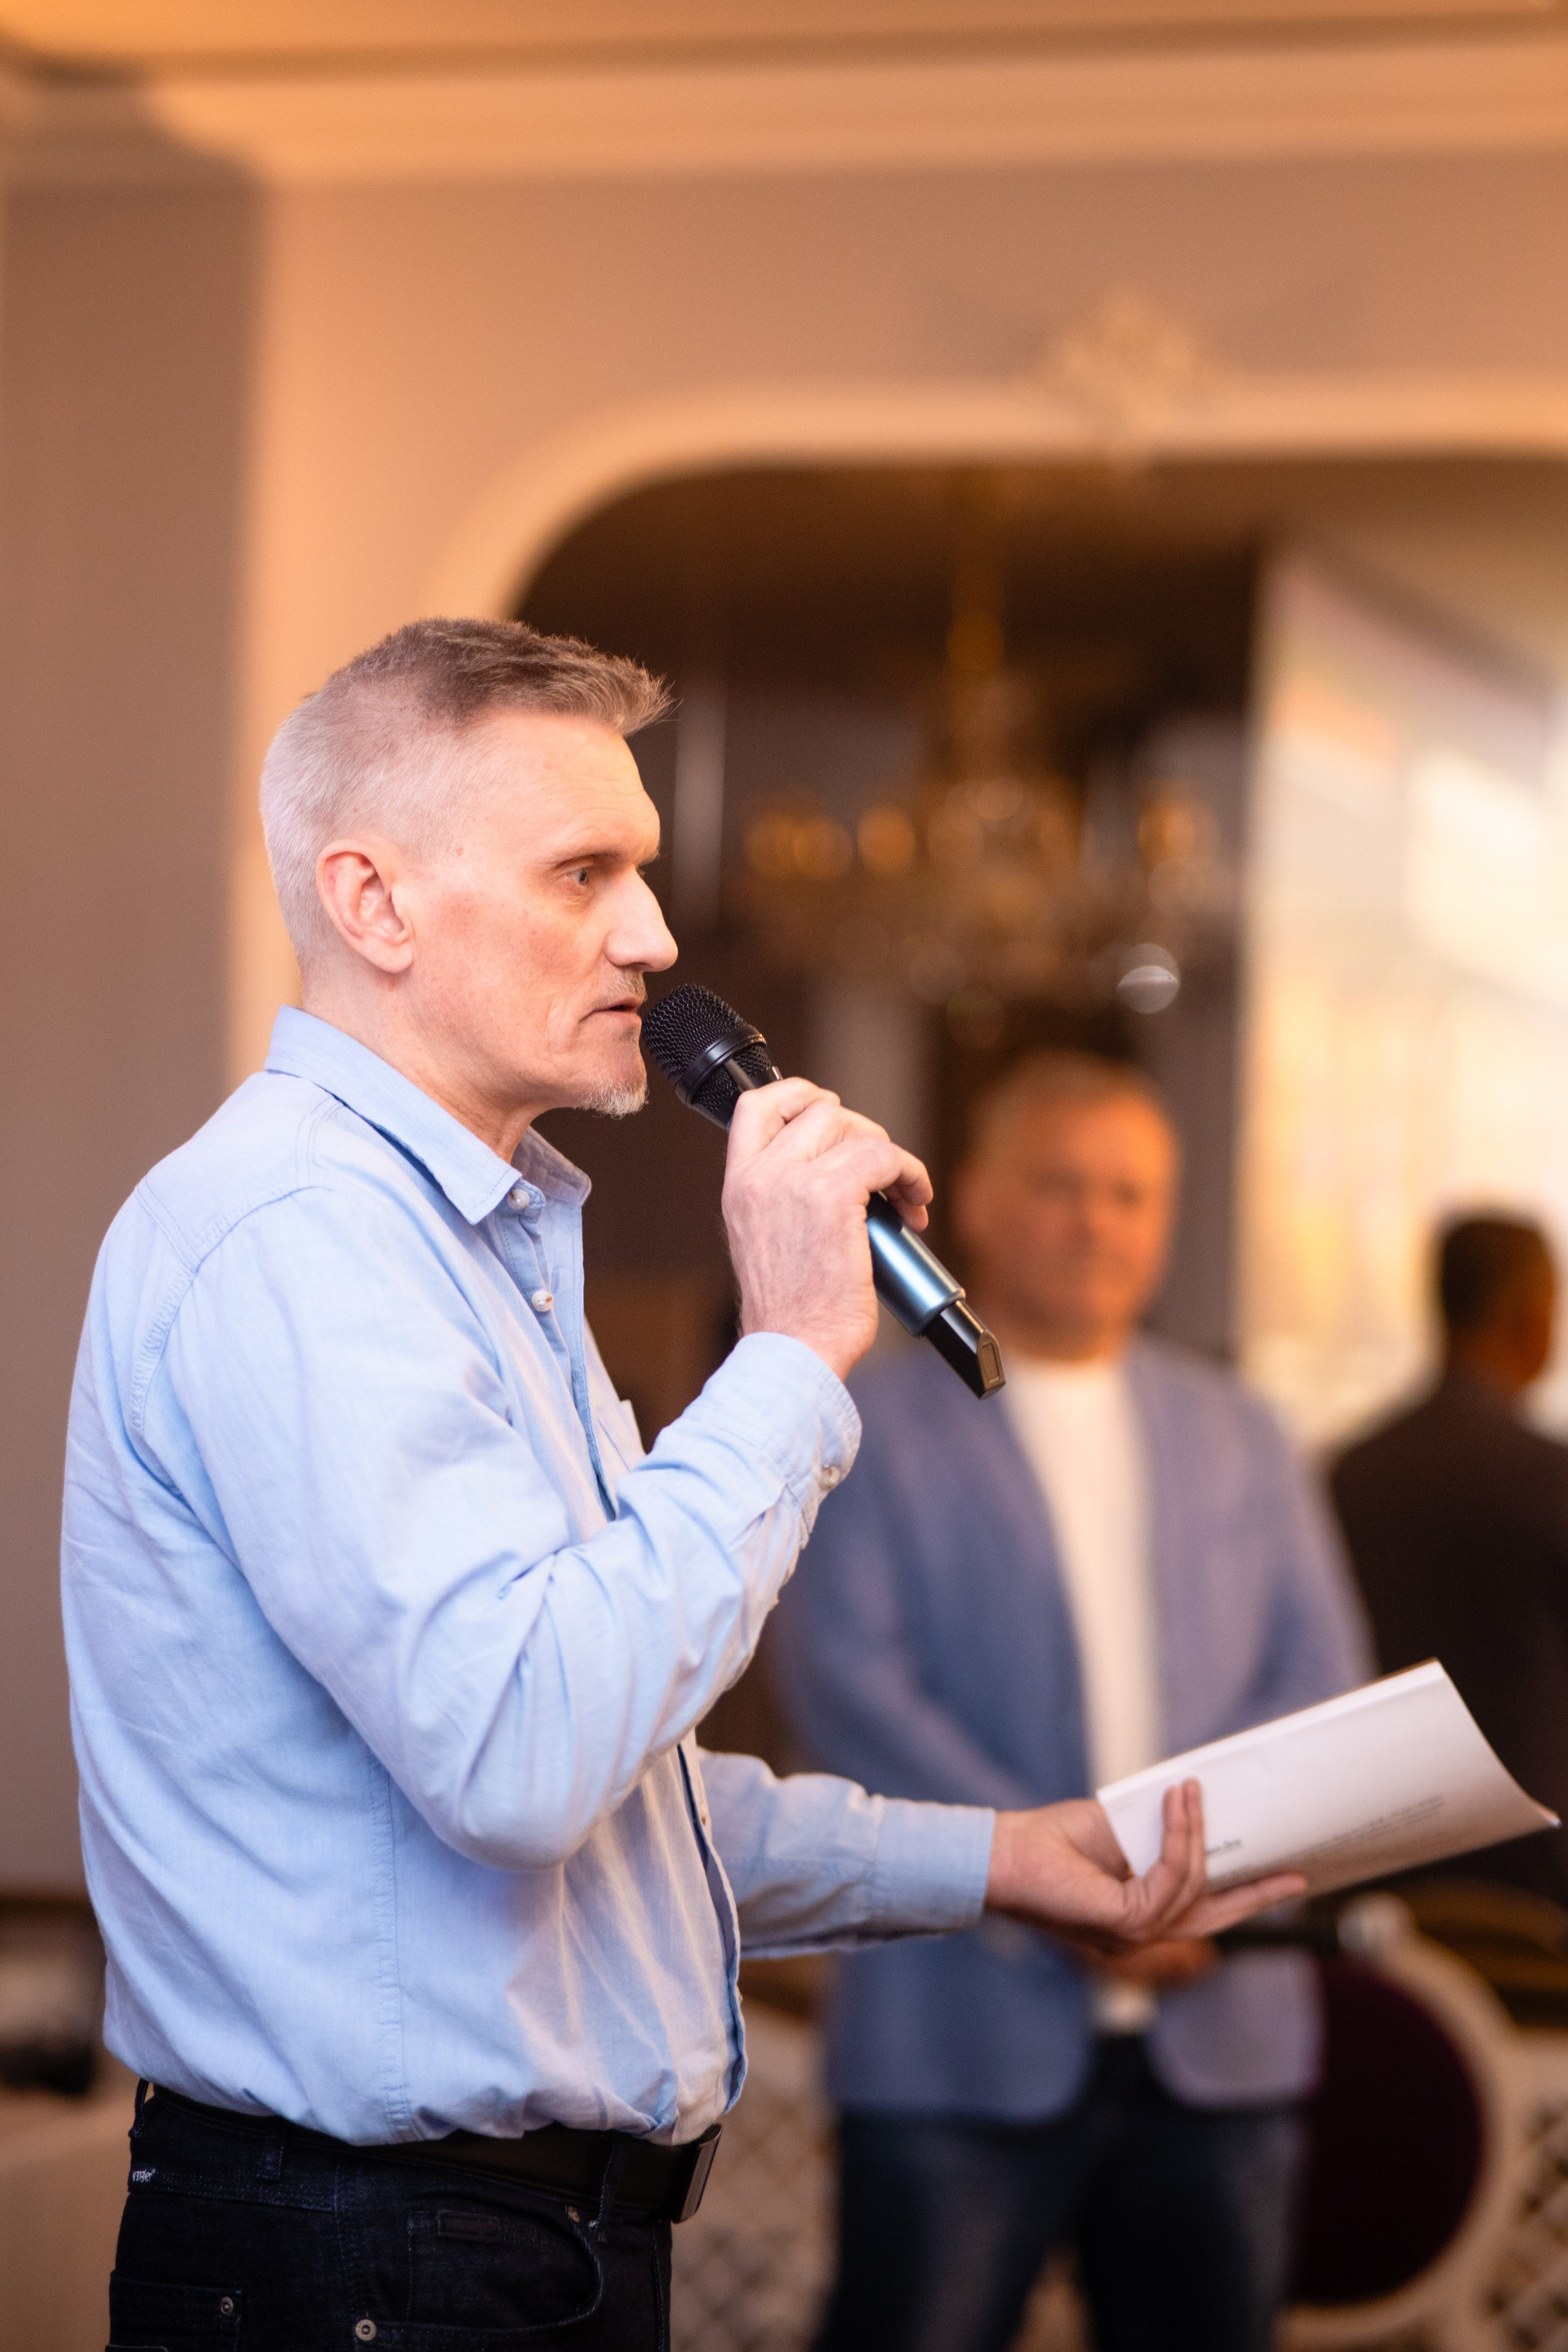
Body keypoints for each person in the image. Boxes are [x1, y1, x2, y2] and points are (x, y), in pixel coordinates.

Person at [60, 624, 1292, 2352]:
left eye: (641, 870)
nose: (653, 934)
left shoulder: (471, 1250)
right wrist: (787, 1351)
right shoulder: (300, 1238)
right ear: (375, 902)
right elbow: (523, 1758)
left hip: (486, 2251)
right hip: (372, 2262)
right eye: (585, 873)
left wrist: (1005, 1859)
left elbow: (616, 1809)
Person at [772, 1050, 1370, 2352]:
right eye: (1060, 1185)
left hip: (1220, 2023)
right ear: (978, 1198)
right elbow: (858, 1690)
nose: (1097, 1221)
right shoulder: (857, 1420)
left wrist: (1196, 1879)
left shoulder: (1245, 1431)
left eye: (1129, 1193)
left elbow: (1316, 1684)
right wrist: (1056, 1881)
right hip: (955, 2030)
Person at [1331, 1213, 1568, 1904]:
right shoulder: (1550, 1478)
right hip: (1535, 1882)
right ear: (1534, 1318)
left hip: (1377, 1866)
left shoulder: (1349, 1473)